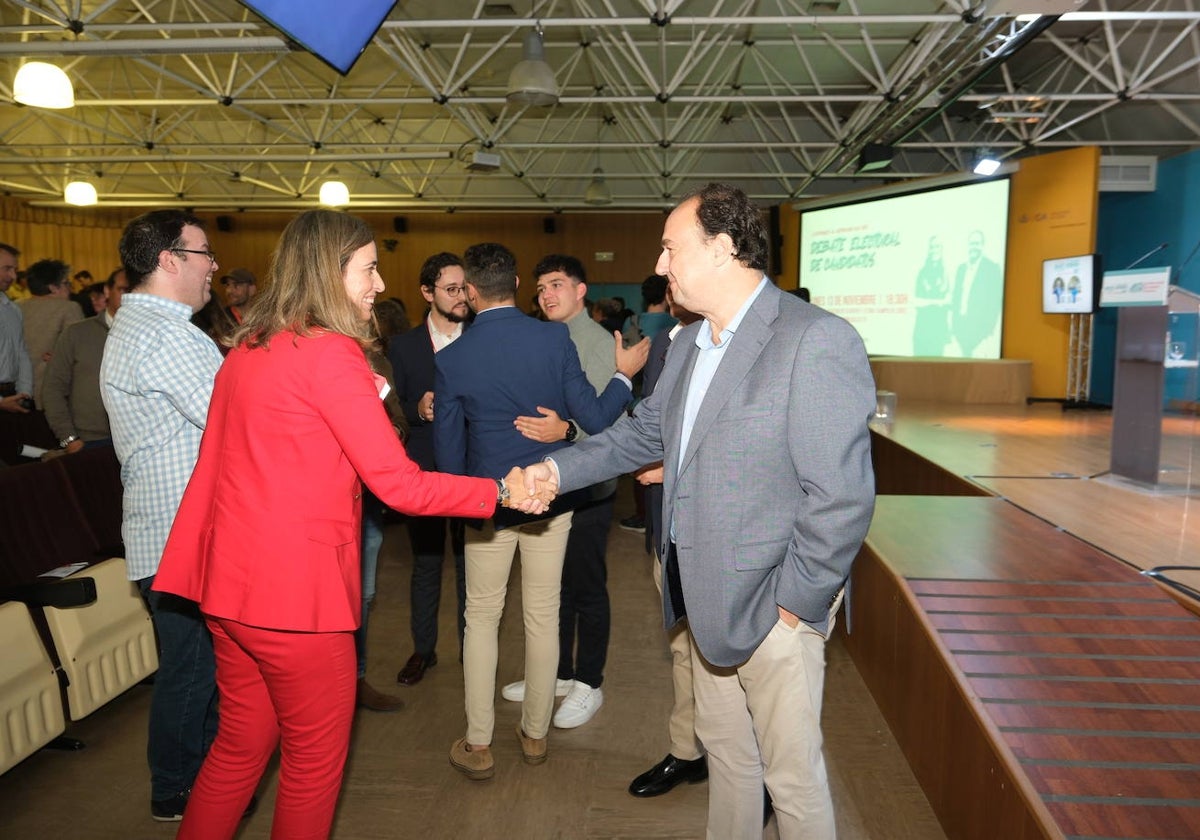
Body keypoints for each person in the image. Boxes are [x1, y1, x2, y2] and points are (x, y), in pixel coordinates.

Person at [151, 210, 546, 840]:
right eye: (367, 268)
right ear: (330, 272)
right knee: (311, 767)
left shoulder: (251, 346)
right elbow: (400, 484)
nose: (379, 283)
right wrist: (499, 489)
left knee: (237, 749)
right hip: (294, 601)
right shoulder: (330, 354)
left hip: (228, 588)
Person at [523, 183, 876, 839]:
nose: (661, 267)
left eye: (670, 248)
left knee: (792, 784)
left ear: (720, 248)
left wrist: (792, 607)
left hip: (774, 608)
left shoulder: (815, 339)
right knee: (730, 762)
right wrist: (553, 468)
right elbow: (637, 437)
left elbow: (843, 497)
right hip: (699, 598)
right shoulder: (685, 345)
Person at [434, 242, 646, 781]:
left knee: (480, 619)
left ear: (473, 292)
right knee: (543, 615)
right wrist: (623, 376)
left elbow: (447, 453)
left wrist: (465, 506)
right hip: (552, 500)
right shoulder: (554, 339)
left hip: (487, 504)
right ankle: (534, 735)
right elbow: (596, 419)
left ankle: (478, 743)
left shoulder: (453, 357)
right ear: (515, 284)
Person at [99, 210, 225, 822]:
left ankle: (192, 785)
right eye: (204, 254)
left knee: (193, 667)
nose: (213, 267)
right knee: (194, 671)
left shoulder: (142, 326)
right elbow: (234, 423)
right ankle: (180, 789)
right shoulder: (166, 334)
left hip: (165, 529)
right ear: (171, 259)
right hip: (182, 536)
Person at [499, 253, 647, 729]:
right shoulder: (541, 337)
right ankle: (558, 673)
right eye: (541, 287)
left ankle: (589, 681)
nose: (547, 295)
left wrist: (563, 434)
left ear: (581, 291)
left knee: (585, 585)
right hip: (544, 485)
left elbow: (608, 429)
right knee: (550, 586)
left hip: (587, 488)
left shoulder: (601, 343)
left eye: (558, 285)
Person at [627, 292, 708, 799]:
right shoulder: (663, 343)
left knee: (742, 669)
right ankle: (687, 752)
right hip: (667, 532)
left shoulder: (756, 345)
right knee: (682, 649)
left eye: (673, 254)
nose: (664, 271)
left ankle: (758, 771)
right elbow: (648, 427)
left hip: (722, 545)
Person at [386, 252, 471, 687]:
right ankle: (423, 650)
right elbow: (391, 406)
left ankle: (471, 651)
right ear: (427, 293)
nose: (462, 297)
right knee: (426, 564)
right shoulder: (402, 346)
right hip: (422, 471)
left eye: (464, 288)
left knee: (471, 565)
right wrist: (416, 409)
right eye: (451, 289)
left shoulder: (481, 336)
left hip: (473, 470)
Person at [42, 268, 128, 452]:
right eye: (124, 290)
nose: (131, 298)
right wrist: (69, 438)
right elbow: (53, 388)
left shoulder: (152, 335)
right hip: (90, 441)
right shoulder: (77, 333)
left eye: (138, 292)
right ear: (107, 291)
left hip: (139, 441)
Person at [19, 258, 84, 407]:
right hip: (50, 397)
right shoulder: (68, 308)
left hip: (15, 396)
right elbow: (78, 352)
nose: (70, 288)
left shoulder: (15, 307)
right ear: (53, 287)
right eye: (66, 283)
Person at [950, 229, 1003, 358]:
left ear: (982, 246)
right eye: (971, 243)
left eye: (977, 243)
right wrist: (954, 327)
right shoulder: (961, 269)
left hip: (980, 334)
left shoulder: (992, 269)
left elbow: (994, 304)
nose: (974, 247)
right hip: (960, 330)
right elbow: (955, 299)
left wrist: (987, 333)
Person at [0, 242, 34, 414]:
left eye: (15, 269)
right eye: (7, 268)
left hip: (12, 397)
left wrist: (24, 392)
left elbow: (21, 353)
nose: (13, 276)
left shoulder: (13, 310)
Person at [912, 235, 950, 356]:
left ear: (942, 249)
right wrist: (937, 302)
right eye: (932, 247)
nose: (934, 250)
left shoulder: (947, 272)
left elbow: (948, 301)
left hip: (938, 331)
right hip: (921, 330)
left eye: (937, 247)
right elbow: (916, 302)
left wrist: (928, 302)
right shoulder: (922, 272)